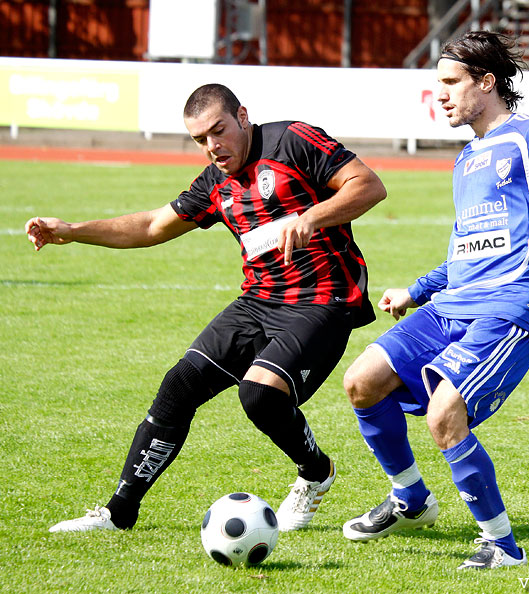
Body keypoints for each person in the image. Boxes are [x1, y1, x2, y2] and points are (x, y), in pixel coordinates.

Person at [26, 83, 386, 534]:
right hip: (258, 299)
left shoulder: (292, 140)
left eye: (219, 130)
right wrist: (73, 231)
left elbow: (369, 185)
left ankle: (315, 472)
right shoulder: (215, 181)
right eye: (200, 139)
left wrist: (311, 217)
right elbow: (154, 225)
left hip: (324, 298)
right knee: (179, 385)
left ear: (243, 117)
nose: (213, 146)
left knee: (259, 395)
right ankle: (118, 514)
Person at [342, 31, 529, 569]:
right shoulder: (466, 159)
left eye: (450, 82)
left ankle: (502, 546)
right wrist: (418, 290)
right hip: (452, 304)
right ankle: (410, 499)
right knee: (362, 381)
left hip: (509, 306)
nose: (439, 94)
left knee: (446, 412)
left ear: (486, 83)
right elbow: (467, 247)